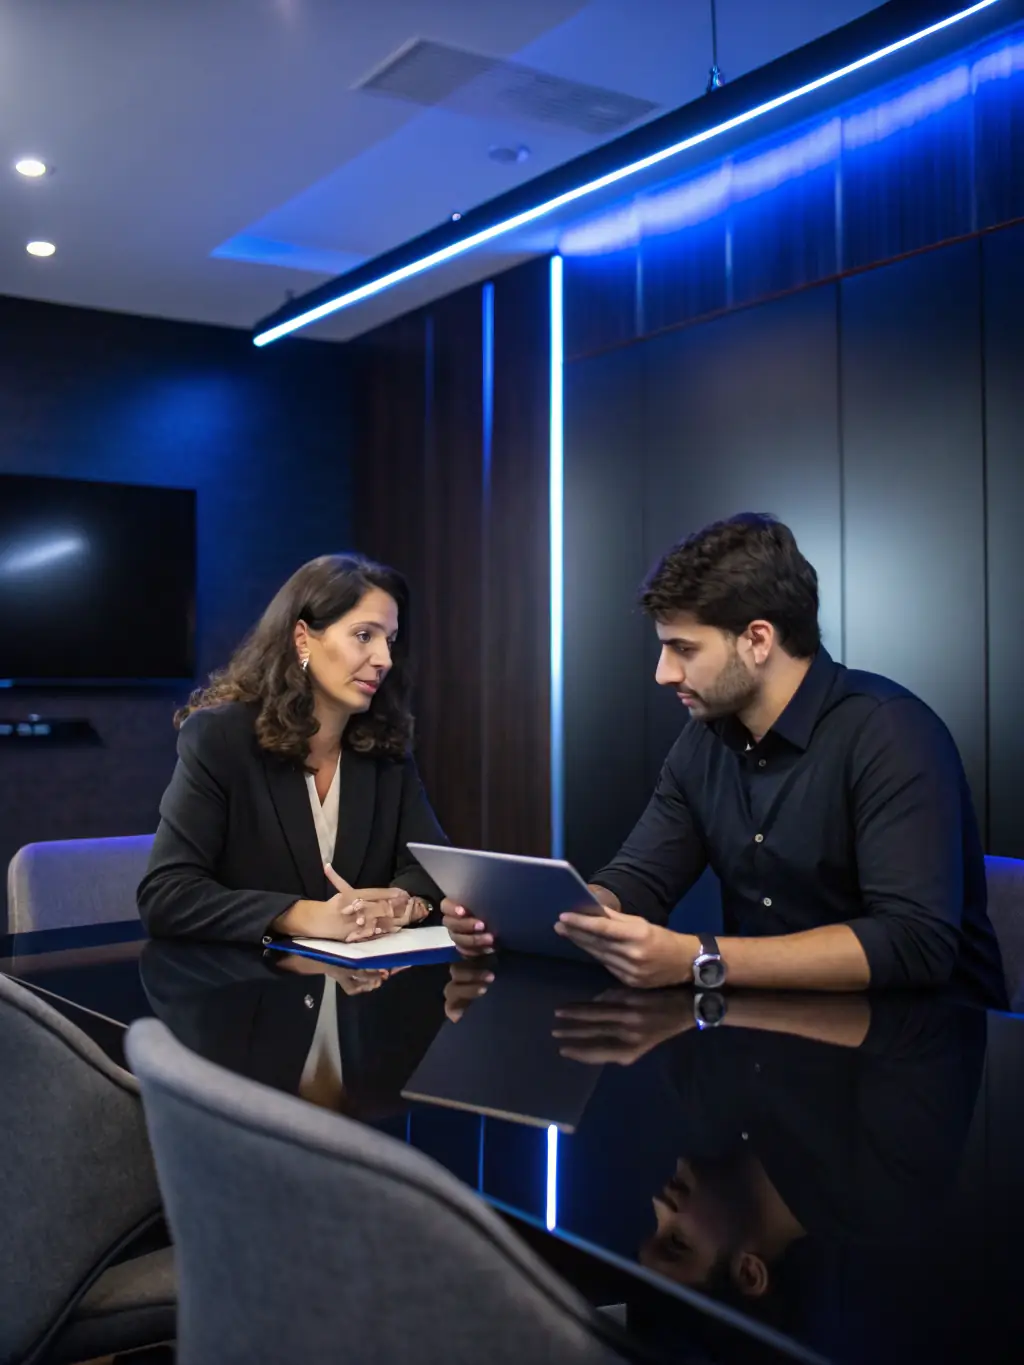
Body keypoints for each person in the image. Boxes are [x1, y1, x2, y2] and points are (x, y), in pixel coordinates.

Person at [444, 514, 1005, 1005]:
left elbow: (913, 943)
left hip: (919, 1052)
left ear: (757, 640)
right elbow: (639, 881)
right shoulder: (704, 739)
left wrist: (698, 957)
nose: (664, 673)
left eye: (684, 649)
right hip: (764, 1038)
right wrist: (546, 918)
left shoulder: (891, 732)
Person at [139, 553, 447, 943]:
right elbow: (167, 895)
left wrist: (401, 902)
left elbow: (431, 866)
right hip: (249, 990)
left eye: (390, 641)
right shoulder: (220, 739)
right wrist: (304, 916)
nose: (384, 659)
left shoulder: (385, 752)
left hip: (362, 989)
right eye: (364, 636)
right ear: (304, 639)